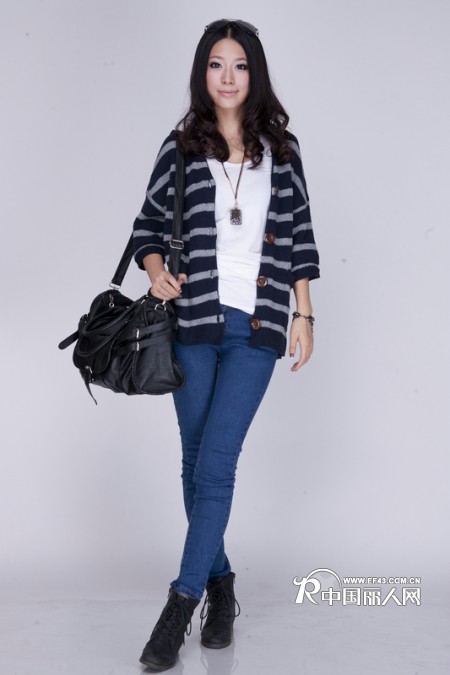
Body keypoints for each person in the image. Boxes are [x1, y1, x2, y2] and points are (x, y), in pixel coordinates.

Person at [132, 18, 320, 671]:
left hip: (258, 327)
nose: (229, 76)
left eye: (240, 65)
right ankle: (221, 586)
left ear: (254, 73)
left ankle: (179, 604)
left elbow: (299, 236)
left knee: (215, 464)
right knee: (194, 464)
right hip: (192, 323)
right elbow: (147, 227)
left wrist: (304, 314)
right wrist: (156, 271)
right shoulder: (181, 147)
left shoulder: (282, 150)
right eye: (217, 64)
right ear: (203, 73)